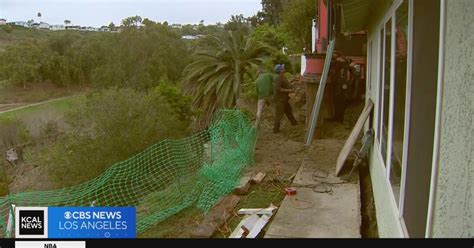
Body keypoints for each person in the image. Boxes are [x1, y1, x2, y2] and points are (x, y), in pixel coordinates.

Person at [273, 64, 297, 134]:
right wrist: (290, 91)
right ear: (280, 70)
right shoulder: (277, 78)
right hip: (280, 100)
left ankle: (294, 123)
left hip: (284, 99)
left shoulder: (283, 76)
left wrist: (292, 85)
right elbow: (278, 89)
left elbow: (287, 84)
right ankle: (275, 130)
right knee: (279, 115)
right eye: (282, 68)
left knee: (289, 111)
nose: (284, 68)